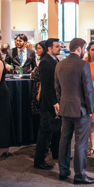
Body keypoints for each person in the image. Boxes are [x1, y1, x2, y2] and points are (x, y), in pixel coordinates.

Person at [56, 37, 94, 185]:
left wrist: (61, 103)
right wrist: (91, 109)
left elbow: (57, 88)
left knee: (64, 141)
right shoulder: (83, 64)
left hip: (65, 108)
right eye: (84, 48)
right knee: (80, 143)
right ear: (79, 49)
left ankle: (63, 171)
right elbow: (88, 89)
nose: (84, 51)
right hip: (81, 110)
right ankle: (80, 175)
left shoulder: (59, 64)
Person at [33, 38, 61, 170]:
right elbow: (46, 85)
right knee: (45, 132)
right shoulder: (45, 62)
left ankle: (56, 153)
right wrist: (54, 102)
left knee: (56, 130)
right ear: (49, 48)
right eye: (57, 46)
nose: (59, 48)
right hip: (49, 103)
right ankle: (39, 160)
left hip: (55, 102)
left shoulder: (55, 60)